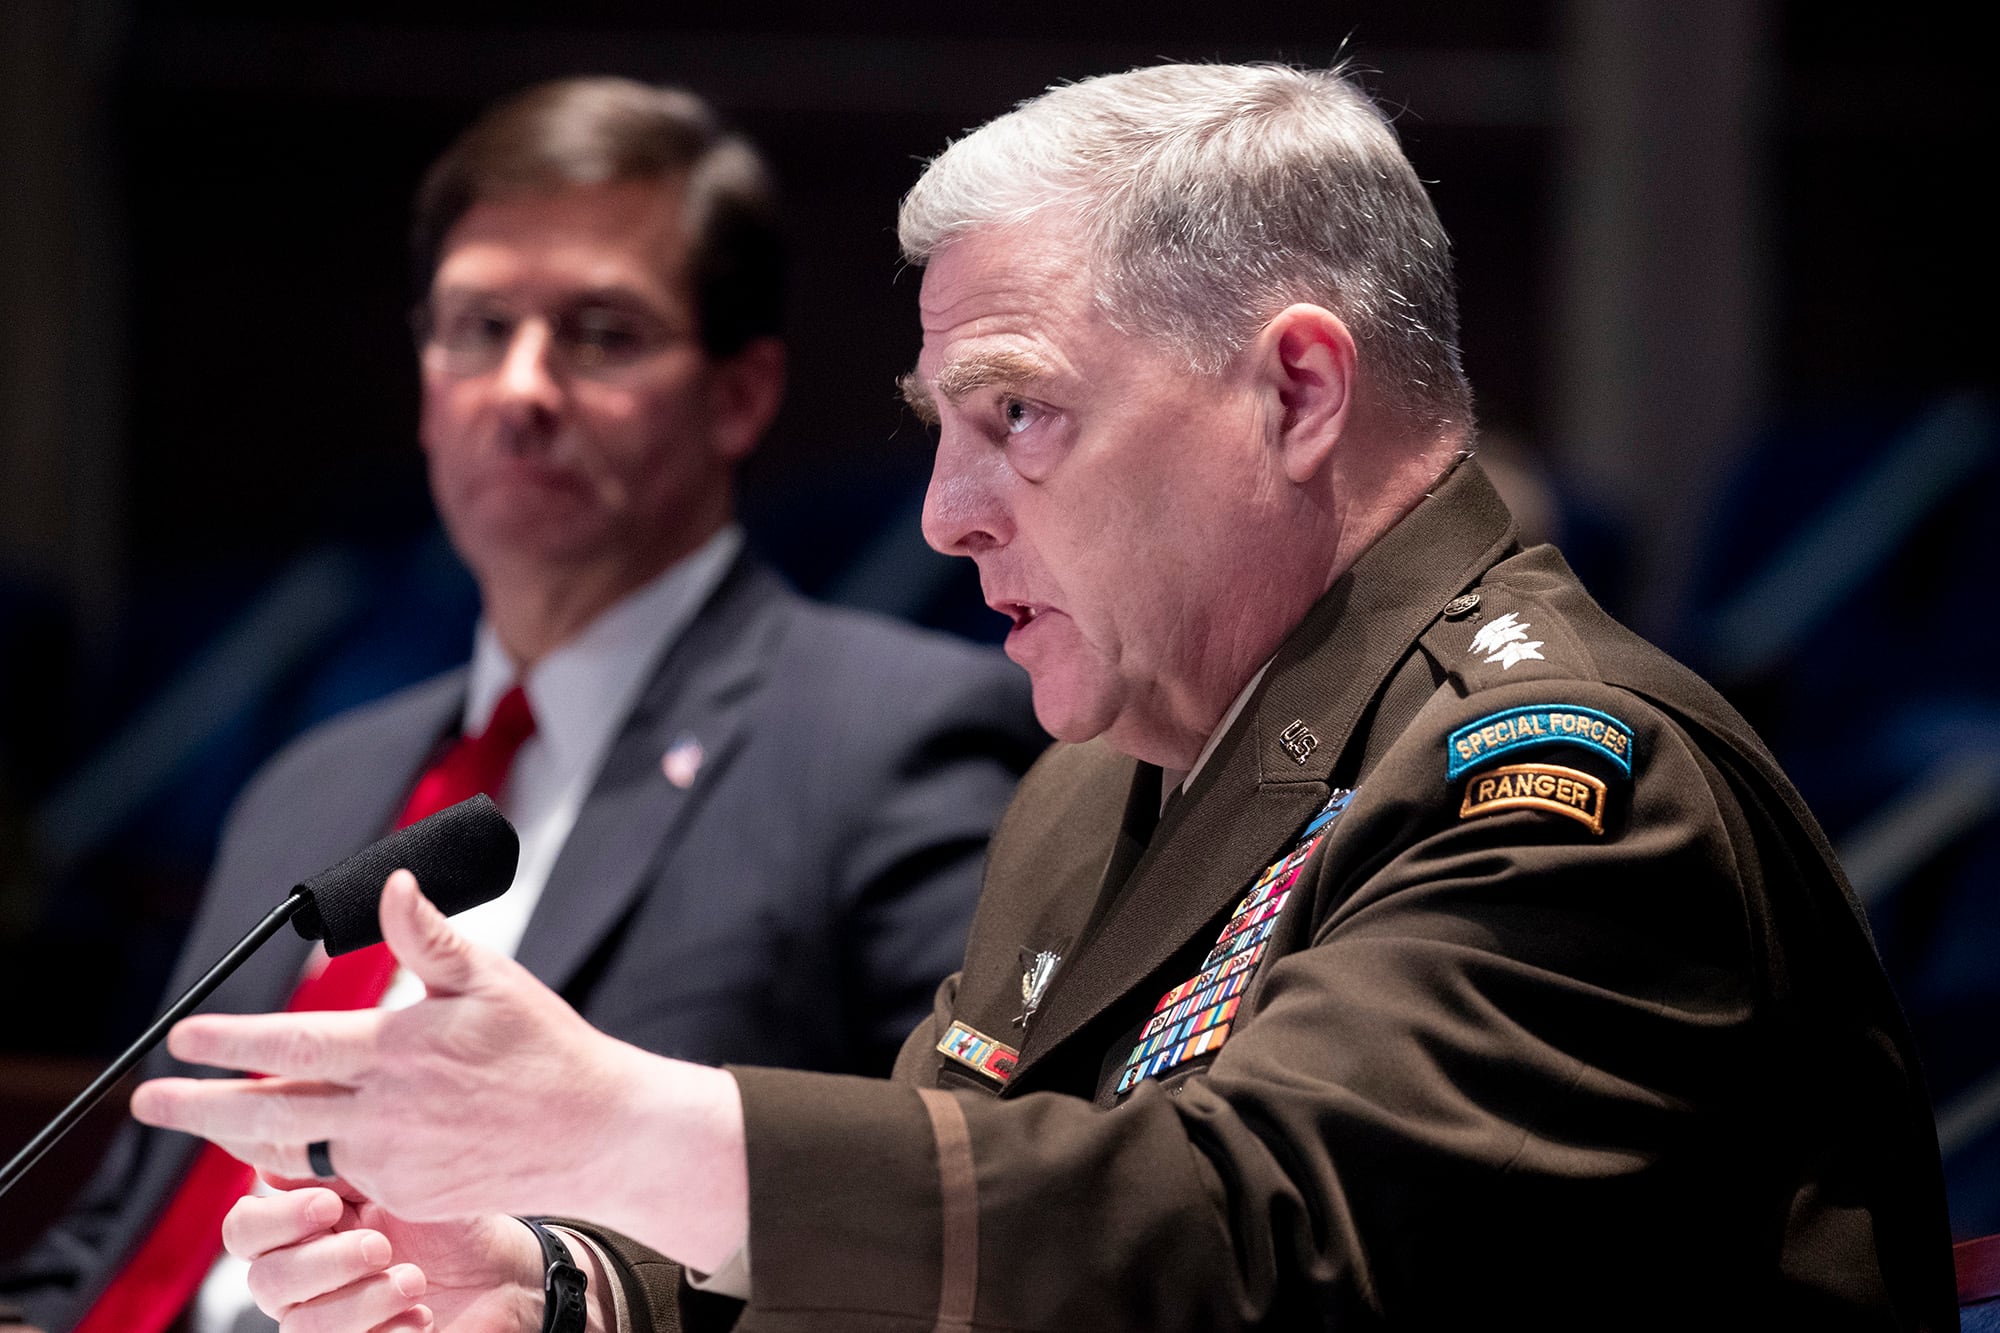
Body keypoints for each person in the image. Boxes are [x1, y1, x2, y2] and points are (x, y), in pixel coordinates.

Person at [126, 62, 1956, 1330]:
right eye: (944, 430)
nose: (942, 510)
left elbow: (1263, 1246)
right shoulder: (1111, 778)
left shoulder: (1567, 779)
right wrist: (559, 1283)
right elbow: (977, 1243)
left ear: (1299, 392)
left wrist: (633, 1128)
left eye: (1020, 414)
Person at [0, 76, 1042, 1333]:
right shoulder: (319, 778)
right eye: (476, 327)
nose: (521, 387)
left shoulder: (892, 733)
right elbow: (118, 1244)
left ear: (739, 394)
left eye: (600, 334)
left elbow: (947, 1231)